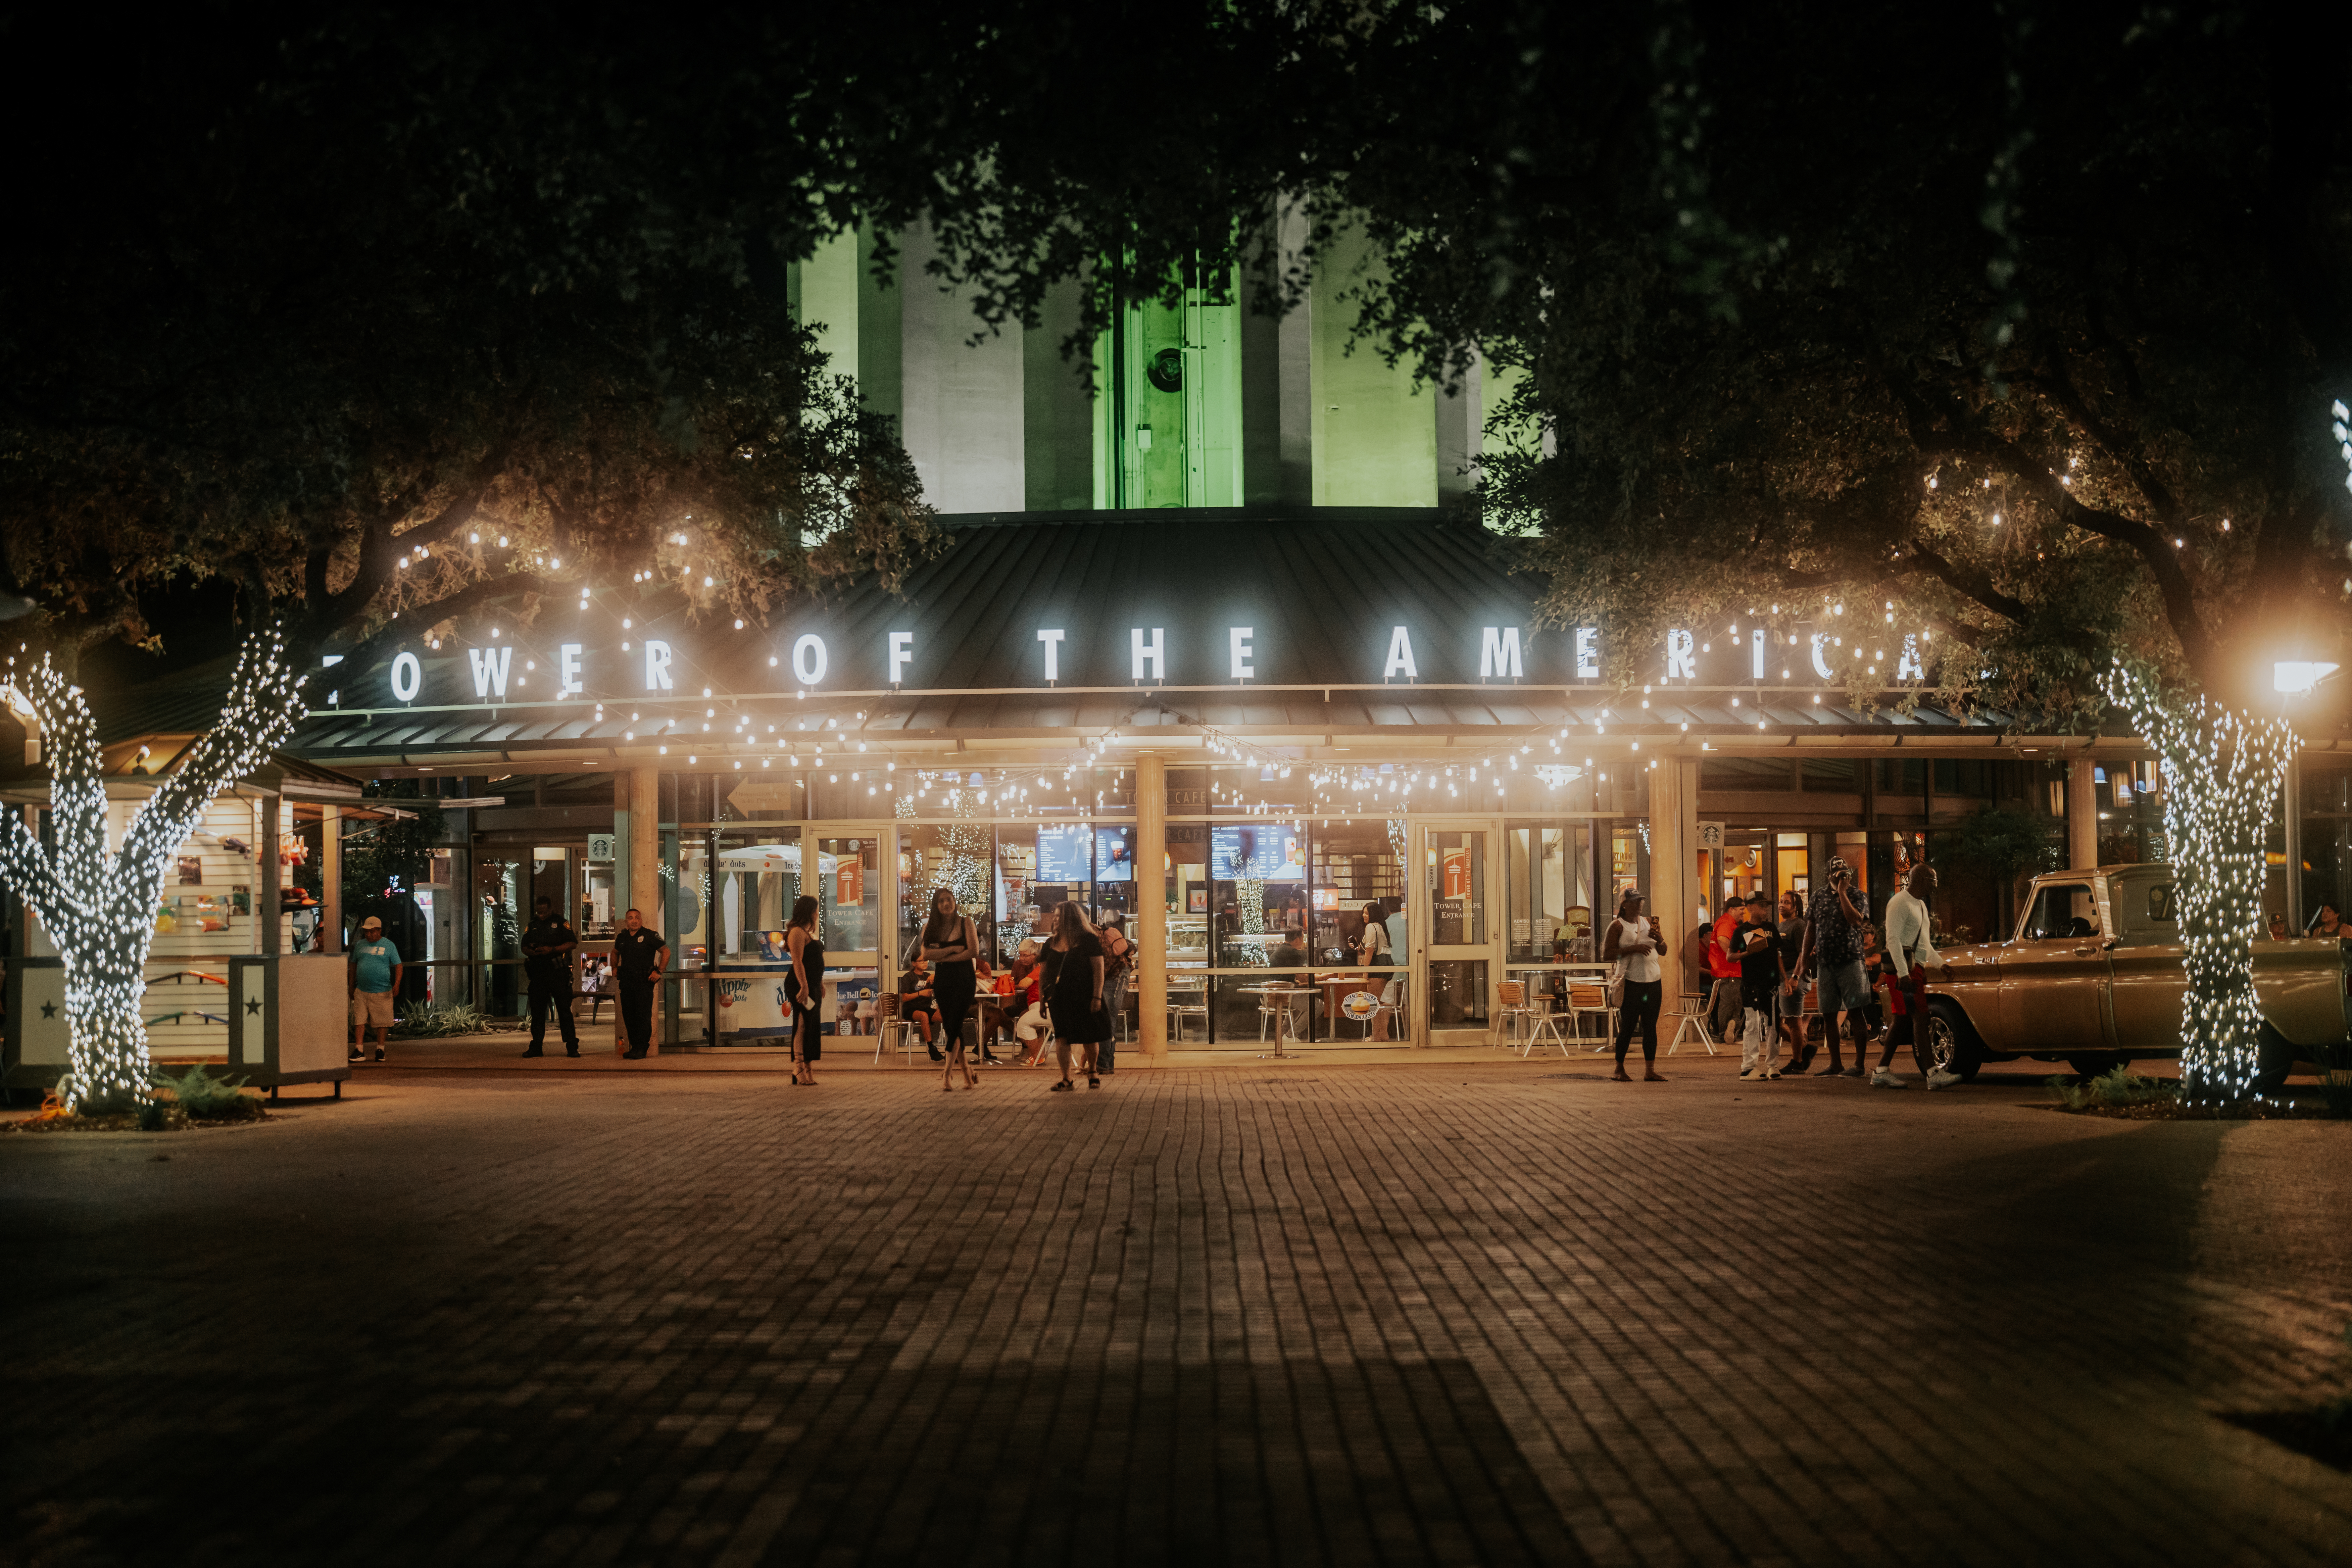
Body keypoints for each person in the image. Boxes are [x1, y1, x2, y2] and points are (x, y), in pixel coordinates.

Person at [1795, 855, 1873, 1078]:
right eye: (1837, 874)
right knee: (1829, 1013)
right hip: (1826, 963)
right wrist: (1802, 962)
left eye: (1845, 873)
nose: (1842, 877)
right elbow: (1810, 929)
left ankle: (1859, 1065)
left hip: (1851, 961)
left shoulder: (1857, 895)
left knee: (1856, 1012)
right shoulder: (1818, 896)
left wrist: (1842, 893)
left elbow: (1856, 920)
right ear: (1828, 875)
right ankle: (1836, 1064)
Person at [1886, 864, 1952, 1089]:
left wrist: (1940, 964)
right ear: (1921, 879)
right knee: (1921, 1018)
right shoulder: (1899, 903)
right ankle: (1934, 1075)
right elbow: (1893, 940)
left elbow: (1924, 944)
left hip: (1914, 969)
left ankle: (1881, 1071)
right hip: (1905, 971)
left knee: (1902, 1020)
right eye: (1933, 881)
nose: (1935, 886)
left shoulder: (1921, 906)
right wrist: (1904, 974)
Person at [1042, 899, 1111, 1090]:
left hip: (1085, 994)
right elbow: (1045, 972)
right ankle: (1067, 1079)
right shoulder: (1050, 943)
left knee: (1089, 1035)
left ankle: (1093, 1071)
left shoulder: (1088, 940)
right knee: (1062, 1037)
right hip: (1059, 997)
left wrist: (1097, 997)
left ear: (1070, 919)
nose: (1055, 920)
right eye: (1055, 916)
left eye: (1059, 916)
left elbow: (1099, 970)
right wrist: (1042, 998)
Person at [918, 887, 981, 1091]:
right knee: (951, 1026)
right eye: (941, 901)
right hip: (944, 980)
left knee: (955, 1025)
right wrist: (953, 950)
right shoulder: (931, 927)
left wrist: (944, 958)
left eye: (949, 899)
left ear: (955, 902)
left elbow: (973, 951)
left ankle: (946, 1074)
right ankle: (967, 1074)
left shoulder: (966, 923)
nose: (946, 904)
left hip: (964, 979)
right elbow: (926, 953)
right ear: (936, 906)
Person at [1600, 889, 1666, 1082]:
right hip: (1632, 983)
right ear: (1625, 905)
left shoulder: (1649, 922)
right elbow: (1608, 955)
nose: (1639, 905)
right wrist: (1633, 949)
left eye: (1641, 901)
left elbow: (1663, 951)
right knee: (1628, 1027)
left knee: (1650, 1028)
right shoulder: (1617, 926)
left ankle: (1650, 1070)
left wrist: (1659, 938)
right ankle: (1619, 1069)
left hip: (1654, 982)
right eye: (1635, 902)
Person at [520, 895, 580, 1058]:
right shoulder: (532, 925)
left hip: (557, 972)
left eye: (544, 912)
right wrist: (532, 951)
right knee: (538, 1012)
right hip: (538, 973)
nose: (541, 915)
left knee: (564, 1011)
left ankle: (572, 1046)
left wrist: (552, 950)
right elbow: (523, 946)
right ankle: (536, 1047)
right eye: (539, 912)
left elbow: (573, 943)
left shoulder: (561, 923)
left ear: (550, 909)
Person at [1733, 892, 1785, 1080]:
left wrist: (1785, 978)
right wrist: (1748, 952)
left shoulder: (1771, 927)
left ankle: (1773, 1065)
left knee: (1773, 1025)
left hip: (1771, 984)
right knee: (1753, 1024)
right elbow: (1730, 957)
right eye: (1762, 906)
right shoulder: (1741, 931)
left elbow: (1777, 954)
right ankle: (1748, 1067)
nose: (1766, 909)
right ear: (1750, 907)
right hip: (1751, 984)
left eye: (1766, 906)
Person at [347, 914, 403, 1062]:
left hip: (383, 990)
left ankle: (381, 1049)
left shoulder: (389, 945)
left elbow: (398, 965)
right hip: (362, 990)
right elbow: (353, 966)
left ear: (379, 931)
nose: (369, 934)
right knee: (359, 1019)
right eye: (367, 932)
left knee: (382, 1021)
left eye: (372, 931)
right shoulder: (360, 945)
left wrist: (397, 984)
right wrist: (351, 986)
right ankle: (359, 1050)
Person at [612, 907, 667, 1059]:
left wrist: (660, 971)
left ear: (641, 920)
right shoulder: (622, 937)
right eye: (631, 918)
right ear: (626, 921)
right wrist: (614, 967)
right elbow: (615, 952)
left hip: (644, 982)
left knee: (642, 1016)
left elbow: (666, 952)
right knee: (629, 1016)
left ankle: (642, 1048)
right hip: (627, 982)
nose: (634, 921)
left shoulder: (650, 935)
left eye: (637, 918)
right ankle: (635, 1047)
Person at [784, 894, 824, 1086]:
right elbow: (798, 962)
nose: (817, 914)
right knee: (802, 1024)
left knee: (812, 1025)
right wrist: (805, 986)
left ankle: (807, 1067)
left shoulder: (807, 933)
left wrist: (819, 982)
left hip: (812, 984)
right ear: (809, 912)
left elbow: (813, 963)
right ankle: (799, 1067)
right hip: (800, 984)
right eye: (816, 910)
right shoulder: (797, 932)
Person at [1775, 890, 1812, 1068]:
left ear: (1796, 907)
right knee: (1775, 1020)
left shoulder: (1799, 926)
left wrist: (1795, 977)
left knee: (1793, 1021)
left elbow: (1803, 954)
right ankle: (1805, 1049)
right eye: (1781, 902)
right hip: (1782, 977)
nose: (1782, 905)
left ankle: (1797, 1061)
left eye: (1787, 903)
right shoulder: (1781, 926)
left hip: (1793, 976)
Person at [1098, 916, 1134, 1073]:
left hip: (1114, 978)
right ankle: (1105, 1063)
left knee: (1107, 1020)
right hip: (1117, 976)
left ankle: (1104, 1063)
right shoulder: (1099, 934)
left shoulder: (1096, 937)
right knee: (1108, 1020)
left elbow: (1103, 967)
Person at [1707, 903, 1746, 1045]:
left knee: (1736, 1003)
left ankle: (1732, 1028)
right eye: (1741, 910)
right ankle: (1725, 1034)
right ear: (1732, 909)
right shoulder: (1727, 922)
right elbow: (1722, 939)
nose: (1744, 913)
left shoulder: (1726, 922)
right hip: (1728, 972)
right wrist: (1733, 956)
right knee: (1729, 1004)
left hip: (1727, 971)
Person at [1353, 900, 1392, 1041]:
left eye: (1367, 913)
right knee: (1379, 1003)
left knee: (1373, 1003)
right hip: (1387, 964)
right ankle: (1383, 1034)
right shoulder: (1381, 926)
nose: (1364, 915)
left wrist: (1365, 972)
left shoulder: (1370, 927)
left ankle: (1375, 1037)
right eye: (1364, 912)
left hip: (1378, 966)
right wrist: (1358, 948)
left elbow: (1370, 951)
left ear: (1373, 915)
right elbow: (1371, 948)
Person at [897, 956, 938, 1050]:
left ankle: (953, 1049)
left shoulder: (928, 975)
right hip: (911, 1010)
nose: (925, 963)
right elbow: (905, 998)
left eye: (926, 961)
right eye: (921, 961)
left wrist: (935, 976)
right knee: (924, 1016)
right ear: (914, 964)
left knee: (945, 1016)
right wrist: (921, 993)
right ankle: (931, 1047)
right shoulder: (908, 977)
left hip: (926, 1008)